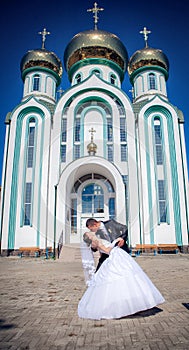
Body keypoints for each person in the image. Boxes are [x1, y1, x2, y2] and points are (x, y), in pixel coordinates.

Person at [78, 232, 165, 320]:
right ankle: (124, 306)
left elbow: (102, 253)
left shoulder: (97, 239)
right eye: (89, 234)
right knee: (121, 279)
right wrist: (115, 242)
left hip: (117, 257)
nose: (91, 233)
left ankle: (132, 303)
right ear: (89, 237)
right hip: (115, 257)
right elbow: (107, 250)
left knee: (129, 278)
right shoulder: (95, 241)